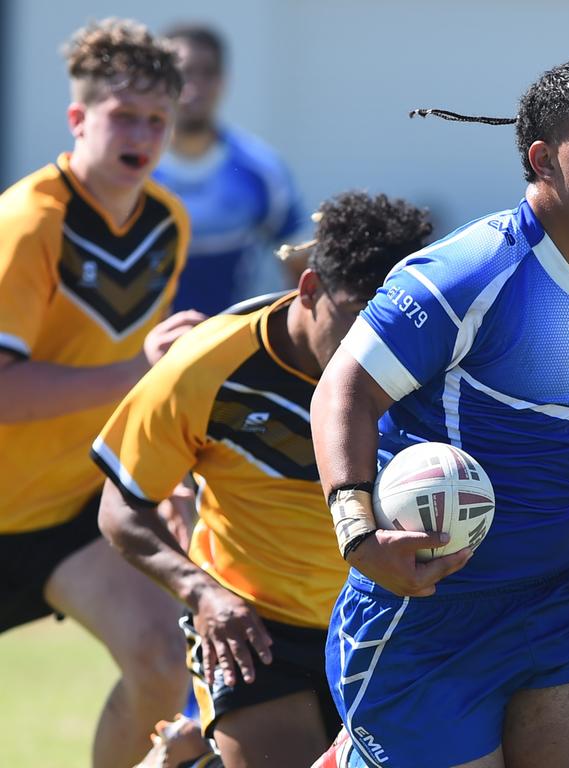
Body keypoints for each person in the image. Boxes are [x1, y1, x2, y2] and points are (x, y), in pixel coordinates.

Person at [310, 59, 569, 768]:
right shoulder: (467, 273)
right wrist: (356, 531)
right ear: (542, 159)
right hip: (426, 614)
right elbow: (344, 392)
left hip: (559, 604)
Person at [94, 192, 433, 768]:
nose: (372, 345)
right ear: (308, 291)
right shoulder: (206, 365)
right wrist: (203, 594)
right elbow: (121, 509)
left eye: (390, 322)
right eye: (356, 316)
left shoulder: (422, 362)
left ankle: (195, 759)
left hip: (387, 621)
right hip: (254, 631)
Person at [0, 18, 205, 766]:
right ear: (79, 119)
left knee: (161, 662)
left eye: (158, 119)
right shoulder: (28, 224)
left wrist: (171, 473)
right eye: (124, 114)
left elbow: (147, 374)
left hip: (65, 513)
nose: (144, 134)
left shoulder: (167, 223)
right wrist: (139, 374)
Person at [153, 23, 306, 316]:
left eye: (207, 72)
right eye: (182, 72)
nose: (194, 86)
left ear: (224, 80)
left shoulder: (260, 168)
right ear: (160, 81)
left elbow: (301, 266)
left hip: (228, 351)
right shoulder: (130, 168)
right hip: (140, 357)